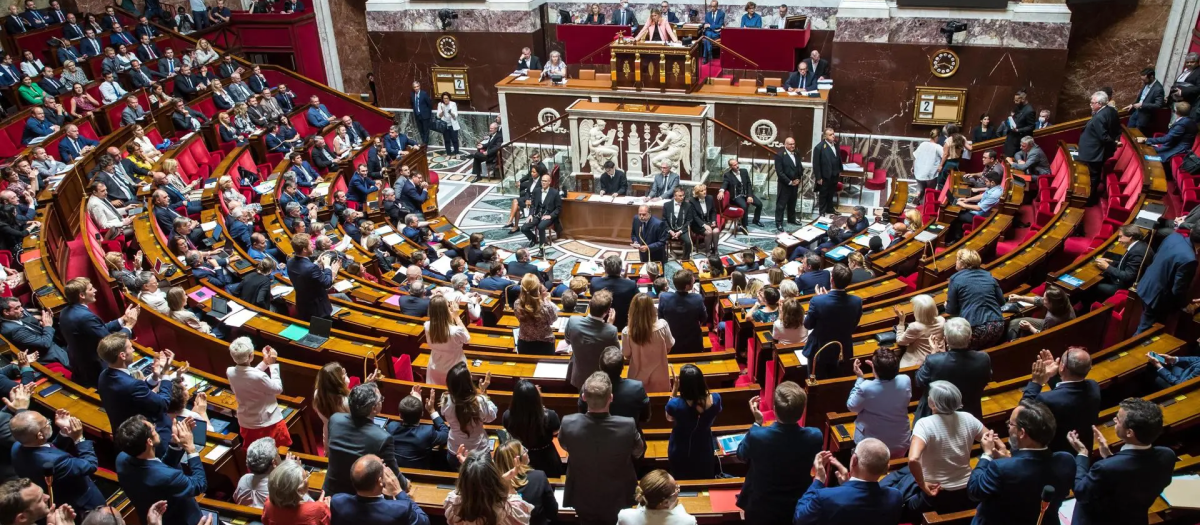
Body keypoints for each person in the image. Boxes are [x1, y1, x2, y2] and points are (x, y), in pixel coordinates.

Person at [1066, 398, 1176, 525]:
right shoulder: (1167, 455)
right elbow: (1132, 479)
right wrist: (1109, 456)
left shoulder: (1104, 468)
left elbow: (1081, 492)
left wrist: (1082, 454)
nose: (1114, 421)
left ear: (1129, 432)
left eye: (1118, 419)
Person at [968, 399, 1074, 524]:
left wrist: (987, 455)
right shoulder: (1067, 460)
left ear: (1022, 433)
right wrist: (1010, 460)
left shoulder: (1000, 468)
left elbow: (974, 491)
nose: (1008, 427)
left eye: (1011, 424)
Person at [560, 371, 646, 525]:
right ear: (611, 398)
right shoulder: (628, 425)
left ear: (584, 397)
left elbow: (564, 445)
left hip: (582, 492)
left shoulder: (568, 423)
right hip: (618, 494)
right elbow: (638, 451)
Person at [736, 381, 822, 524]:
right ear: (802, 411)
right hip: (796, 505)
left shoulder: (757, 435)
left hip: (761, 507)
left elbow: (741, 455)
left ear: (774, 409)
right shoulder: (815, 436)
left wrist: (757, 422)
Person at [900, 381, 987, 518]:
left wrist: (922, 485)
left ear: (932, 403)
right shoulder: (968, 418)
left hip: (936, 492)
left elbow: (913, 459)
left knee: (905, 508)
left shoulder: (924, 424)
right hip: (967, 489)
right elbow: (993, 441)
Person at [9, 407, 105, 515]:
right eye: (47, 422)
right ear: (39, 435)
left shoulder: (17, 447)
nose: (50, 422)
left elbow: (49, 450)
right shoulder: (56, 462)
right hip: (83, 502)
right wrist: (79, 438)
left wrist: (64, 432)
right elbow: (90, 465)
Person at [114, 415, 207, 525]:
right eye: (153, 428)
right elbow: (200, 484)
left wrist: (175, 443)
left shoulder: (121, 460)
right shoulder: (168, 477)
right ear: (149, 442)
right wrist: (191, 449)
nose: (156, 428)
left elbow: (158, 469)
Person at [793, 439, 903, 525]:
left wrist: (818, 480)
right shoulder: (895, 496)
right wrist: (847, 485)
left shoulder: (823, 497)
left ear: (854, 460)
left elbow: (800, 519)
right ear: (886, 469)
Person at [1018, 347, 1102, 456]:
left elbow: (1022, 414)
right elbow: (1066, 393)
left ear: (1062, 367)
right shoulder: (1093, 387)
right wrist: (1052, 377)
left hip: (1057, 459)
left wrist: (1036, 383)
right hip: (1082, 453)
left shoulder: (1046, 400)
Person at [325, 383, 404, 495]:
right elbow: (392, 471)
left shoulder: (335, 419)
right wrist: (405, 484)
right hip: (358, 496)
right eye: (381, 399)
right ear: (374, 408)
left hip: (331, 491)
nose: (382, 401)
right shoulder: (382, 438)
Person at [60, 278, 138, 388]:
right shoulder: (86, 317)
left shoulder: (65, 312)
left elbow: (96, 329)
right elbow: (112, 344)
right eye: (91, 289)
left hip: (78, 361)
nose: (95, 290)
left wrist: (122, 320)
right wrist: (129, 326)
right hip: (94, 367)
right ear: (82, 295)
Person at [913, 317, 989, 423]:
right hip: (970, 413)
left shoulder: (934, 361)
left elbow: (919, 381)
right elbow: (986, 379)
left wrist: (934, 354)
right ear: (970, 337)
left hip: (937, 417)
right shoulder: (983, 358)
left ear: (946, 339)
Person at [226, 338, 292, 449]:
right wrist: (272, 365)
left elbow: (249, 375)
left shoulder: (230, 371)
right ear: (251, 355)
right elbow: (278, 388)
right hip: (267, 423)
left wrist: (265, 362)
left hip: (246, 422)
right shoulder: (258, 376)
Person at [847, 348, 912, 457]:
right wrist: (878, 370)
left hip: (872, 448)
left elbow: (852, 407)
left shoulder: (865, 387)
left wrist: (859, 379)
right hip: (900, 443)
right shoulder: (905, 380)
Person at [1134, 226, 1199, 333]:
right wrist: (1185, 305)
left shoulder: (1174, 237)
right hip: (1157, 298)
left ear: (1191, 231)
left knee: (1144, 323)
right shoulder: (1190, 259)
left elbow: (1156, 257)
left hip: (1146, 285)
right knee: (1145, 333)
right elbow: (1178, 289)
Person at [330, 454, 428, 525]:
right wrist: (398, 492)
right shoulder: (401, 509)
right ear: (380, 481)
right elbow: (424, 521)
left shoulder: (337, 501)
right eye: (383, 466)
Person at [803, 264, 862, 378]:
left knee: (816, 381)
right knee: (835, 382)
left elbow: (808, 325)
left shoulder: (817, 301)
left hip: (819, 350)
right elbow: (854, 325)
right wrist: (823, 299)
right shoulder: (857, 301)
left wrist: (820, 299)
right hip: (842, 349)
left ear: (831, 280)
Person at [665, 364, 721, 479]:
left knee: (681, 479)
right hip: (704, 445)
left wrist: (675, 389)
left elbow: (669, 418)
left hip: (680, 447)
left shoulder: (675, 404)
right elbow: (712, 418)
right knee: (704, 478)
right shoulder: (715, 399)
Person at [443, 451, 531, 525]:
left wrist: (472, 471)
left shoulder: (453, 506)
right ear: (495, 478)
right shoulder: (512, 510)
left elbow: (464, 489)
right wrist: (506, 481)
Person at [502, 379, 564, 477]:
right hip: (547, 458)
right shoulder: (550, 415)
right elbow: (555, 432)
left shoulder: (507, 416)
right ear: (536, 398)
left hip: (521, 456)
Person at [441, 362, 498, 466]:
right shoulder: (480, 401)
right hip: (479, 452)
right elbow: (491, 416)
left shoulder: (445, 399)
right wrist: (483, 392)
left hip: (455, 451)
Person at [945, 248, 1003, 348]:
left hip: (975, 327)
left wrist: (947, 306)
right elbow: (1001, 301)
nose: (956, 262)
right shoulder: (988, 275)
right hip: (997, 325)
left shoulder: (955, 278)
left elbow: (951, 310)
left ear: (962, 263)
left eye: (957, 259)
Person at [494, 440, 558, 525]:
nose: (527, 451)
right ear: (517, 460)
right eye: (523, 450)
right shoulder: (538, 477)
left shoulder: (492, 485)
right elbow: (553, 510)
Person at [564, 289, 619, 388]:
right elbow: (615, 354)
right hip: (601, 379)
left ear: (589, 304)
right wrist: (609, 325)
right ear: (607, 311)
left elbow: (567, 340)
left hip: (579, 376)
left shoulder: (573, 321)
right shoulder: (611, 331)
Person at [622, 293, 673, 392]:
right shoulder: (663, 325)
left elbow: (626, 355)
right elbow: (669, 348)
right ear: (652, 309)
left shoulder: (627, 332)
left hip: (636, 380)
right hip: (660, 377)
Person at [0, 297, 70, 368]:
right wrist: (48, 326)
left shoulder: (12, 320)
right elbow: (45, 343)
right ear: (6, 312)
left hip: (55, 346)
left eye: (20, 306)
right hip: (51, 355)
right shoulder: (14, 330)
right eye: (17, 308)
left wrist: (46, 320)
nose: (22, 309)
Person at [1077, 91, 1121, 203]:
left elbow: (1104, 137)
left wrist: (1114, 143)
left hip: (1094, 153)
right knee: (1094, 174)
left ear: (1100, 104)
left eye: (1092, 103)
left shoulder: (1099, 117)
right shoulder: (1111, 110)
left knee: (1092, 175)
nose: (1090, 104)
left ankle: (1090, 199)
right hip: (1097, 150)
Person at [287, 233, 339, 321]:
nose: (313, 246)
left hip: (302, 304)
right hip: (318, 308)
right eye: (311, 245)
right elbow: (327, 283)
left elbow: (305, 273)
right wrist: (328, 266)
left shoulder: (290, 262)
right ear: (304, 249)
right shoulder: (311, 268)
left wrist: (317, 263)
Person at [260, 460, 330, 525]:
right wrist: (324, 507)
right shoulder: (317, 510)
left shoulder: (268, 503)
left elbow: (265, 521)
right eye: (306, 476)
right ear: (300, 489)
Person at [1093, 224, 1150, 302]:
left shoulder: (1137, 252)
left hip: (1124, 286)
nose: (1118, 240)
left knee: (1095, 285)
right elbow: (1128, 262)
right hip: (1125, 280)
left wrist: (1107, 267)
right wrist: (1112, 262)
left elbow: (1127, 276)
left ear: (1130, 237)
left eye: (1120, 237)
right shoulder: (1139, 245)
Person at [617, 470, 696, 525]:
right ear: (665, 502)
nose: (678, 489)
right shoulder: (687, 521)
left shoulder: (625, 516)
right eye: (676, 488)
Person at [656, 270, 706, 355]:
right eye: (692, 281)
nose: (693, 281)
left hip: (671, 342)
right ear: (687, 286)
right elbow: (704, 319)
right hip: (693, 344)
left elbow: (661, 319)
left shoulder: (664, 297)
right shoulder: (697, 298)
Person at [1139, 101, 1197, 172]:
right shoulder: (1188, 120)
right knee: (1149, 151)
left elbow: (1167, 139)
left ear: (1175, 112)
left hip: (1179, 148)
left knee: (1149, 157)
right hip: (1174, 144)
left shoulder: (1181, 125)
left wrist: (1146, 140)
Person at [1005, 285, 1075, 341]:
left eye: (1045, 299)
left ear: (1051, 304)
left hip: (1053, 336)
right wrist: (1020, 298)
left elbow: (1044, 335)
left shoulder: (1051, 319)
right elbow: (1039, 300)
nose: (1042, 299)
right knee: (1015, 323)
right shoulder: (1062, 301)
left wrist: (1030, 327)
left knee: (1014, 323)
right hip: (1052, 327)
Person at [894, 294, 945, 368]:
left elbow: (900, 341)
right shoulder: (941, 320)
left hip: (922, 361)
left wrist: (901, 322)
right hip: (940, 358)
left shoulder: (915, 327)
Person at [234, 437, 281, 508]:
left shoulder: (243, 479)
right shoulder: (278, 486)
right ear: (274, 462)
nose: (279, 456)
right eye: (278, 454)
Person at [719, 158, 762, 231]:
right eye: (734, 165)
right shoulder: (728, 175)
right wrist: (721, 191)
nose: (737, 166)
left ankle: (756, 220)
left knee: (759, 204)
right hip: (737, 196)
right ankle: (744, 226)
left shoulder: (744, 171)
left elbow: (748, 184)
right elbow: (725, 184)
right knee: (744, 206)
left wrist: (750, 196)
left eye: (737, 164)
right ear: (731, 167)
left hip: (746, 194)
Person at [521, 174, 561, 248]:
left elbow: (558, 208)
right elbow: (532, 205)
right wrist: (530, 214)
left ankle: (541, 248)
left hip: (548, 216)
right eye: (542, 181)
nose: (543, 182)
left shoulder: (554, 193)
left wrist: (550, 216)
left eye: (545, 181)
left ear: (549, 182)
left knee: (541, 227)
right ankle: (533, 239)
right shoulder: (536, 191)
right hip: (537, 215)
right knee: (524, 228)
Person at [773, 137, 803, 231]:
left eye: (793, 144)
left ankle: (791, 219)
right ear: (785, 144)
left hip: (795, 184)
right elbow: (780, 172)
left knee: (792, 203)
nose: (792, 146)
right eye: (790, 144)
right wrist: (790, 182)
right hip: (785, 184)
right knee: (781, 205)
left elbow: (799, 167)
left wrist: (799, 178)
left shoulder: (797, 153)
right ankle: (779, 223)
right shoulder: (780, 155)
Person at [811, 128, 843, 214]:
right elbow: (816, 164)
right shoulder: (819, 147)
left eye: (833, 134)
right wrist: (818, 177)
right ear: (825, 136)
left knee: (831, 193)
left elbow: (838, 158)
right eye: (830, 134)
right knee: (823, 194)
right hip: (824, 176)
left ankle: (830, 209)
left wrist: (840, 170)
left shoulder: (836, 145)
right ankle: (822, 212)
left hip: (834, 174)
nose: (833, 136)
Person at [1126, 68, 1166, 134]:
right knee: (1128, 132)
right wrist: (1132, 104)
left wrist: (1142, 105)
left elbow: (1158, 105)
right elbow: (1141, 98)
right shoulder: (1147, 83)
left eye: (1144, 80)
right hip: (1136, 112)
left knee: (1136, 136)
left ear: (1151, 77)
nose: (1143, 82)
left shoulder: (1158, 89)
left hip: (1144, 117)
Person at [912, 129, 942, 204]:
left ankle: (919, 201)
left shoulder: (923, 144)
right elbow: (945, 155)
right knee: (929, 191)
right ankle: (925, 206)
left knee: (921, 189)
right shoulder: (938, 147)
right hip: (930, 174)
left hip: (919, 172)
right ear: (937, 137)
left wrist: (913, 167)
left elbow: (915, 157)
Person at [1004, 90, 1036, 158]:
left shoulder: (1029, 111)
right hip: (1011, 138)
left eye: (1017, 100)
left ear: (1023, 99)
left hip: (1018, 141)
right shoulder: (1018, 107)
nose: (1015, 102)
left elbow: (1031, 126)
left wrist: (1018, 130)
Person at [410, 81, 434, 145]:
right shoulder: (412, 94)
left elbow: (429, 104)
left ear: (419, 86)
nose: (416, 88)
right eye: (415, 87)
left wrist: (428, 113)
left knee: (426, 130)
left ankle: (425, 144)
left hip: (425, 115)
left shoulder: (424, 94)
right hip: (417, 115)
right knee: (421, 130)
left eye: (417, 86)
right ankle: (423, 142)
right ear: (413, 88)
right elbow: (413, 104)